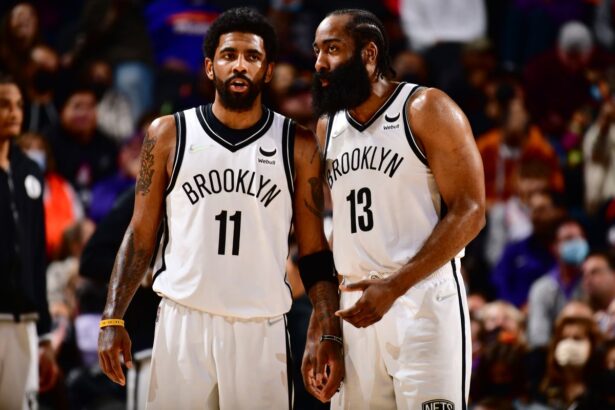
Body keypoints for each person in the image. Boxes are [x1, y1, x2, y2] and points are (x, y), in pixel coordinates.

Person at [97, 8, 343, 409]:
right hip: (182, 323)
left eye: (252, 56)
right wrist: (112, 317)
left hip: (260, 329)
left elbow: (314, 252)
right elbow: (140, 235)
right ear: (210, 67)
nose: (240, 65)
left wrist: (326, 329)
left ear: (268, 70)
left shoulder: (298, 144)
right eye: (229, 55)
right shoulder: (168, 134)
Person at [307, 9, 485, 409]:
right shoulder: (327, 127)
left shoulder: (425, 108)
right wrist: (323, 327)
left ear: (368, 54)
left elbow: (471, 210)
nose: (319, 62)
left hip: (422, 300)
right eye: (317, 50)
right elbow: (344, 232)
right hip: (355, 307)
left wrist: (394, 286)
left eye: (332, 49)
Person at [0, 73, 59, 408]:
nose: (14, 113)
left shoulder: (30, 171)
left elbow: (37, 255)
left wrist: (45, 333)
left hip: (24, 320)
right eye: (4, 105)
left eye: (19, 105)